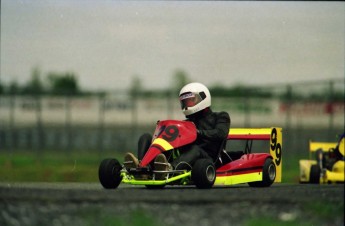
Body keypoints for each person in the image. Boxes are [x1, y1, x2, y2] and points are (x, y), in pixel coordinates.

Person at [124, 82, 231, 176]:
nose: (187, 105)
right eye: (185, 102)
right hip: (185, 159)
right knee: (146, 137)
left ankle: (170, 169)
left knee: (195, 150)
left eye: (190, 101)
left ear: (203, 97)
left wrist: (198, 133)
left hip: (209, 160)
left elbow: (221, 133)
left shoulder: (221, 116)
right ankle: (143, 167)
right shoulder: (187, 123)